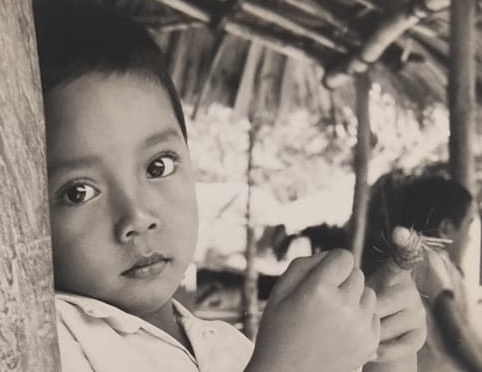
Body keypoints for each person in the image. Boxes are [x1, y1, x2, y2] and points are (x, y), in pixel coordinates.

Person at [33, 1, 426, 371]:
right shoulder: (47, 340)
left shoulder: (225, 344)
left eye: (158, 166)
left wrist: (387, 353)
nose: (137, 217)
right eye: (78, 192)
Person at [364, 175, 482, 371]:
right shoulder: (429, 259)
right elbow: (455, 330)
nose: (470, 238)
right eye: (469, 225)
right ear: (446, 228)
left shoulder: (437, 263)